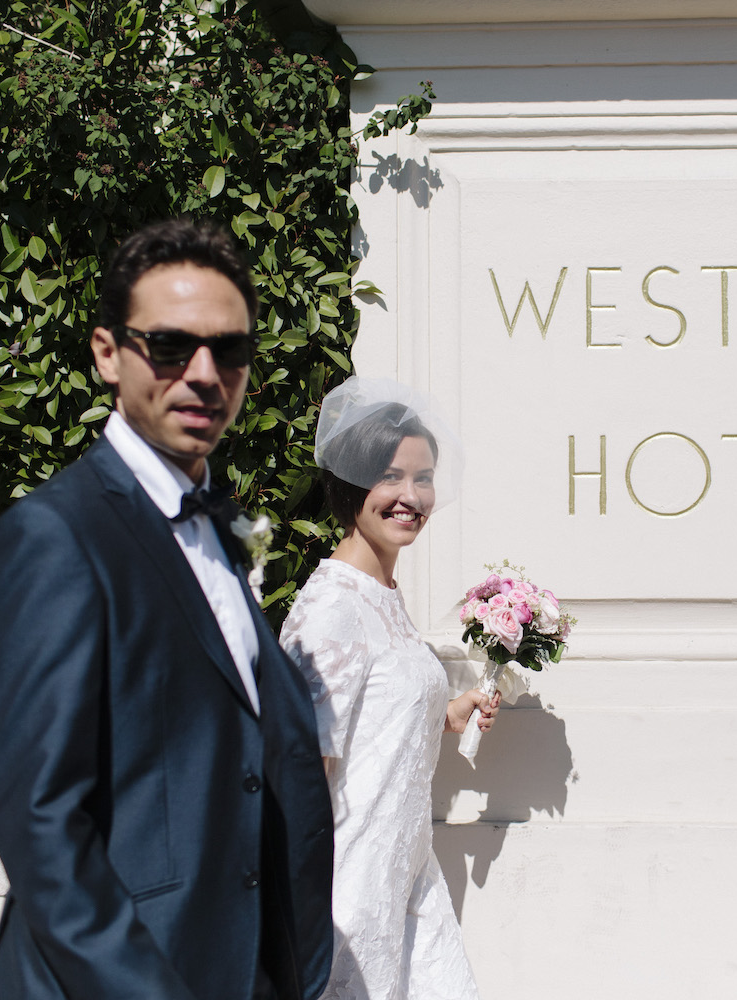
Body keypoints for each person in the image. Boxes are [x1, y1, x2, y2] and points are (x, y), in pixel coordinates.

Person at [0, 219, 333, 1000]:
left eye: (229, 349)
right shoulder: (56, 536)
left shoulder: (219, 523)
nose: (204, 374)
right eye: (169, 346)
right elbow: (42, 824)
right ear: (108, 352)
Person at [280, 377, 498, 1000]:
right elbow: (301, 766)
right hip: (347, 888)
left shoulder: (385, 597)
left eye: (423, 477)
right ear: (352, 484)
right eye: (391, 477)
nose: (411, 496)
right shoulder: (331, 608)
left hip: (407, 871)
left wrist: (450, 710)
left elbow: (378, 719)